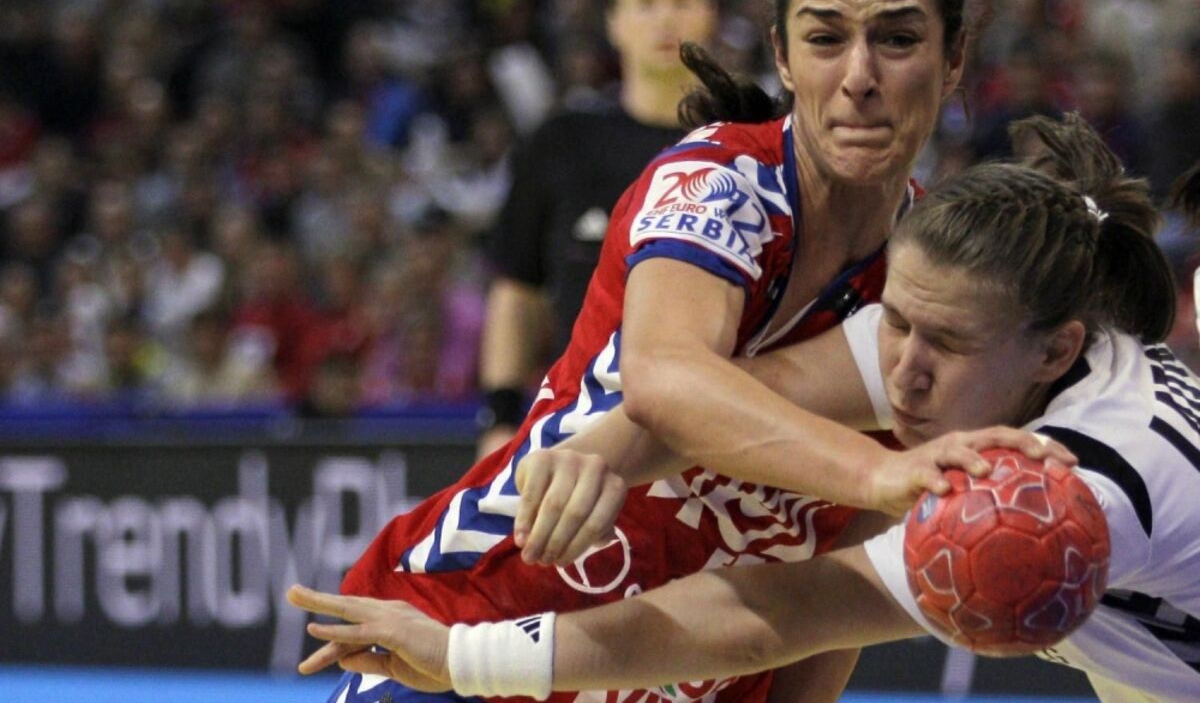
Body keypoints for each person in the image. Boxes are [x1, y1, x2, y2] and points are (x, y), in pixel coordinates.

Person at [317, 0, 1020, 700]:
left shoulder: (931, 287)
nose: (860, 76)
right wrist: (883, 474)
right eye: (826, 39)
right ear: (783, 57)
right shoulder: (717, 181)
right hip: (473, 634)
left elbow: (834, 596)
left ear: (953, 59)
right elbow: (667, 383)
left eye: (897, 40)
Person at [288, 114, 1200, 703]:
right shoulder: (971, 337)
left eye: (943, 346)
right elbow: (736, 402)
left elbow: (779, 613)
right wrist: (597, 454)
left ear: (1056, 352)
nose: (905, 374)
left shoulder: (1084, 482)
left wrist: (464, 659)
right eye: (895, 324)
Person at [477, 0, 717, 458]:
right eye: (646, 3)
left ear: (708, 14)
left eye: (681, 1)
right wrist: (499, 417)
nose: (665, 19)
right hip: (582, 432)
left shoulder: (749, 144)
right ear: (614, 22)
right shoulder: (560, 142)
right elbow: (516, 289)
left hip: (716, 431)